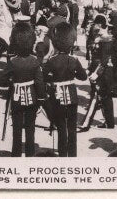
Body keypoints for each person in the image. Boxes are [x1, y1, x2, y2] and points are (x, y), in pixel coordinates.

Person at [43, 22, 87, 157]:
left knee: (61, 127)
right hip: (72, 95)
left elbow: (45, 77)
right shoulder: (74, 59)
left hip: (58, 96)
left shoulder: (51, 60)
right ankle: (72, 155)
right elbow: (83, 77)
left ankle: (62, 154)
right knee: (72, 127)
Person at [2, 21, 45, 157]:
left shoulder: (13, 62)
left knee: (17, 130)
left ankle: (15, 155)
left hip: (16, 98)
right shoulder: (35, 61)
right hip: (32, 98)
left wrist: (10, 80)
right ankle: (30, 154)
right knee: (30, 130)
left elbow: (2, 80)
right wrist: (41, 99)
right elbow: (39, 83)